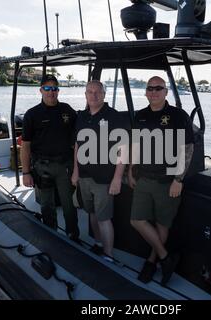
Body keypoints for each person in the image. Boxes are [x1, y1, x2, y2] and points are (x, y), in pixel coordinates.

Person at [129, 76, 194, 285]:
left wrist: (179, 179)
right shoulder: (140, 116)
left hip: (168, 181)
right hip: (143, 178)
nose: (154, 91)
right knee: (136, 220)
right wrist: (131, 170)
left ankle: (152, 261)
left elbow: (187, 149)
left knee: (162, 224)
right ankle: (166, 258)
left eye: (159, 88)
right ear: (146, 92)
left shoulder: (178, 116)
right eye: (150, 88)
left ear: (166, 92)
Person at [71, 80, 126, 261]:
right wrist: (75, 171)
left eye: (97, 92)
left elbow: (123, 149)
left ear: (104, 94)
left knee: (104, 218)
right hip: (84, 176)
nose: (93, 95)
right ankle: (98, 244)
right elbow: (78, 146)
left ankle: (108, 255)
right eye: (90, 92)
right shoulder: (81, 116)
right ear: (85, 94)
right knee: (92, 213)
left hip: (104, 178)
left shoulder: (114, 116)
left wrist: (118, 177)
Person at [21, 74, 80, 242]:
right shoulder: (32, 114)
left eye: (54, 88)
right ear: (40, 90)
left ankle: (73, 236)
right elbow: (25, 146)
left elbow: (78, 139)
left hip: (65, 166)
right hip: (42, 167)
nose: (51, 92)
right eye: (47, 88)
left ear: (58, 91)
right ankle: (51, 236)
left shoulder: (67, 111)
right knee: (46, 205)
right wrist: (26, 172)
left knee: (69, 205)